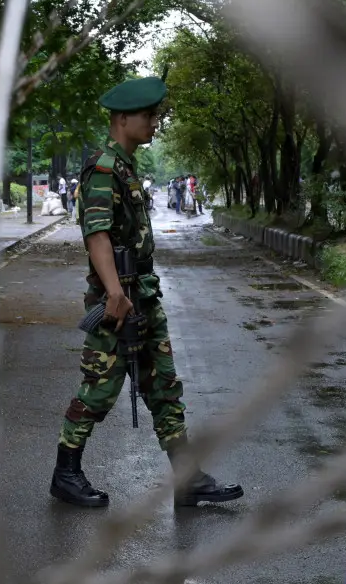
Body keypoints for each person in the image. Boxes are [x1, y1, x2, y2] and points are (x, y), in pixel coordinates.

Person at [49, 75, 243, 509]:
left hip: (143, 295)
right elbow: (96, 235)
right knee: (99, 389)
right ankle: (65, 472)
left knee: (163, 385)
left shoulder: (125, 166)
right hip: (117, 300)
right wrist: (115, 294)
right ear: (122, 118)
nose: (156, 123)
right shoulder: (102, 168)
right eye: (149, 116)